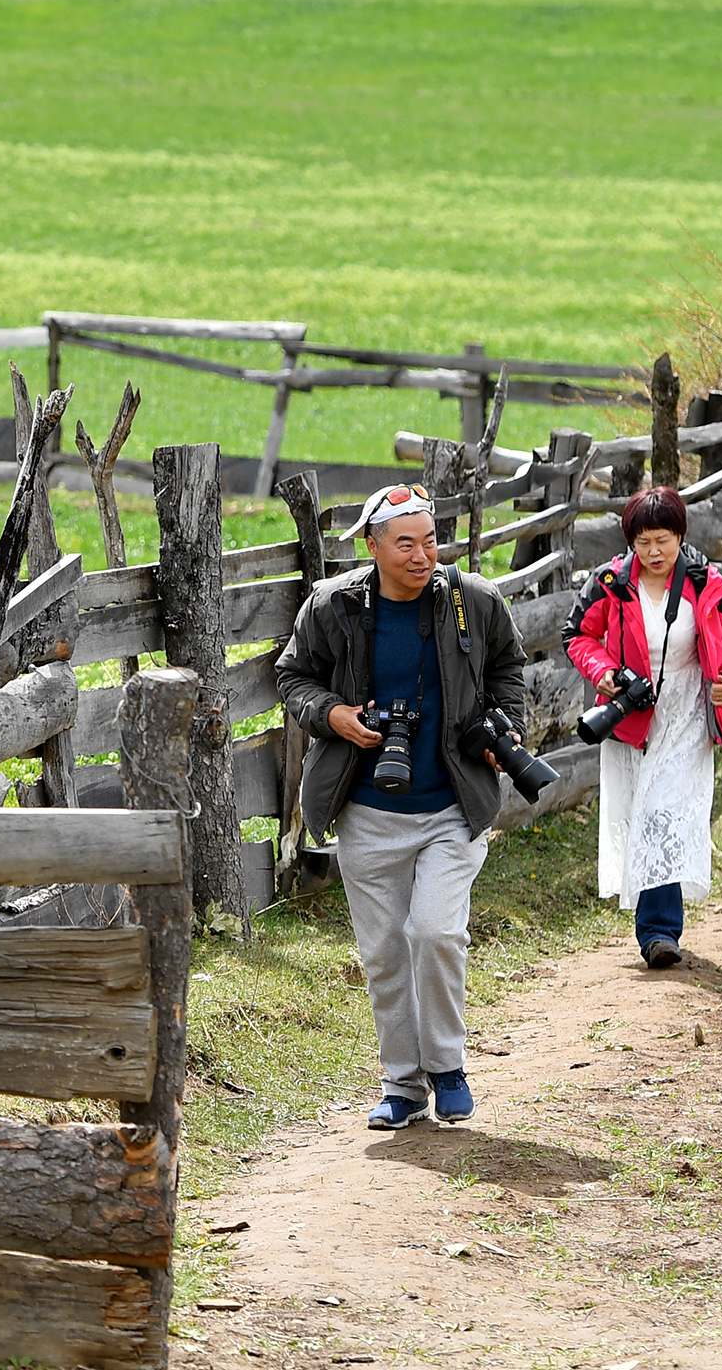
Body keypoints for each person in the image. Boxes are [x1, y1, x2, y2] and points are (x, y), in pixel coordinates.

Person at [278, 482, 534, 1131]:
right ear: (372, 546)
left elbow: (509, 667)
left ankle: (447, 1066)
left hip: (455, 804)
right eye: (406, 544)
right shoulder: (333, 607)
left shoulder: (473, 600)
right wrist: (331, 714)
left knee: (437, 931)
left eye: (429, 541)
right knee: (386, 952)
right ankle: (402, 1083)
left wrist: (508, 730)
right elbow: (292, 677)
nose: (422, 556)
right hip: (365, 809)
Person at [559, 486, 722, 969]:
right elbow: (577, 635)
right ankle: (657, 929)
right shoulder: (608, 581)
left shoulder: (708, 583)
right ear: (630, 541)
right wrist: (604, 673)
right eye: (642, 542)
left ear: (680, 536)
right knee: (644, 812)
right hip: (633, 715)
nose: (652, 552)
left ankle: (659, 932)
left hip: (688, 710)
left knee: (663, 814)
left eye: (662, 540)